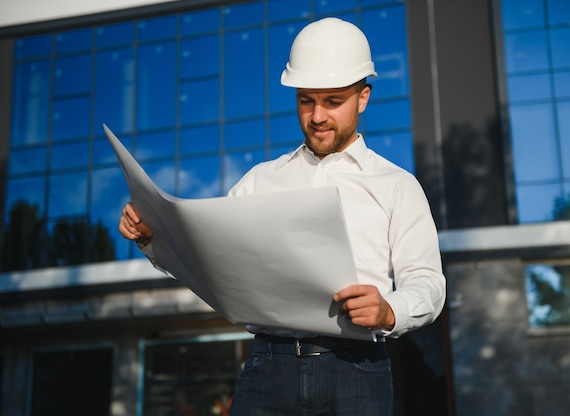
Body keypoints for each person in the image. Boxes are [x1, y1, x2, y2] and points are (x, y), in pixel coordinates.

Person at [119, 17, 446, 415]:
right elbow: (208, 258)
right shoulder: (259, 180)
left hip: (357, 371)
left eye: (332, 101)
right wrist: (154, 239)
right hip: (268, 369)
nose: (317, 116)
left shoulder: (396, 185)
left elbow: (427, 283)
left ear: (363, 98)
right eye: (306, 100)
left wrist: (390, 310)